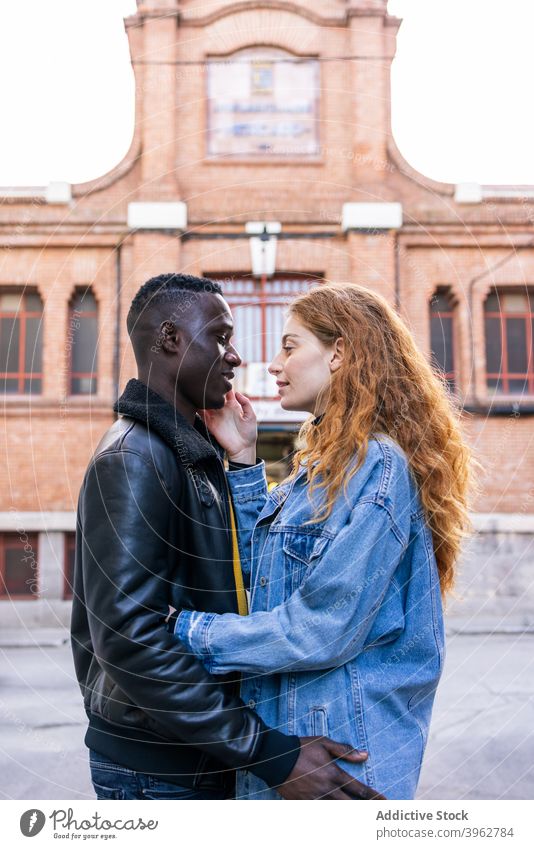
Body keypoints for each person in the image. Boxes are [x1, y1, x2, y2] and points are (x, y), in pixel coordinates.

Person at [70, 273, 384, 801]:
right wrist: (269, 753)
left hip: (203, 756)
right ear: (170, 339)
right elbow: (129, 639)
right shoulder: (133, 459)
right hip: (159, 772)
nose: (236, 357)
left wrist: (240, 461)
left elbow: (249, 577)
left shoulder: (188, 450)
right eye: (220, 337)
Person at [170, 282, 473, 800]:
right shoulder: (320, 473)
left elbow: (321, 626)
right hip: (294, 749)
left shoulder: (378, 467)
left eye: (290, 346)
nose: (272, 364)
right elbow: (259, 582)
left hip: (339, 761)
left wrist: (188, 630)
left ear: (340, 353)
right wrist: (243, 461)